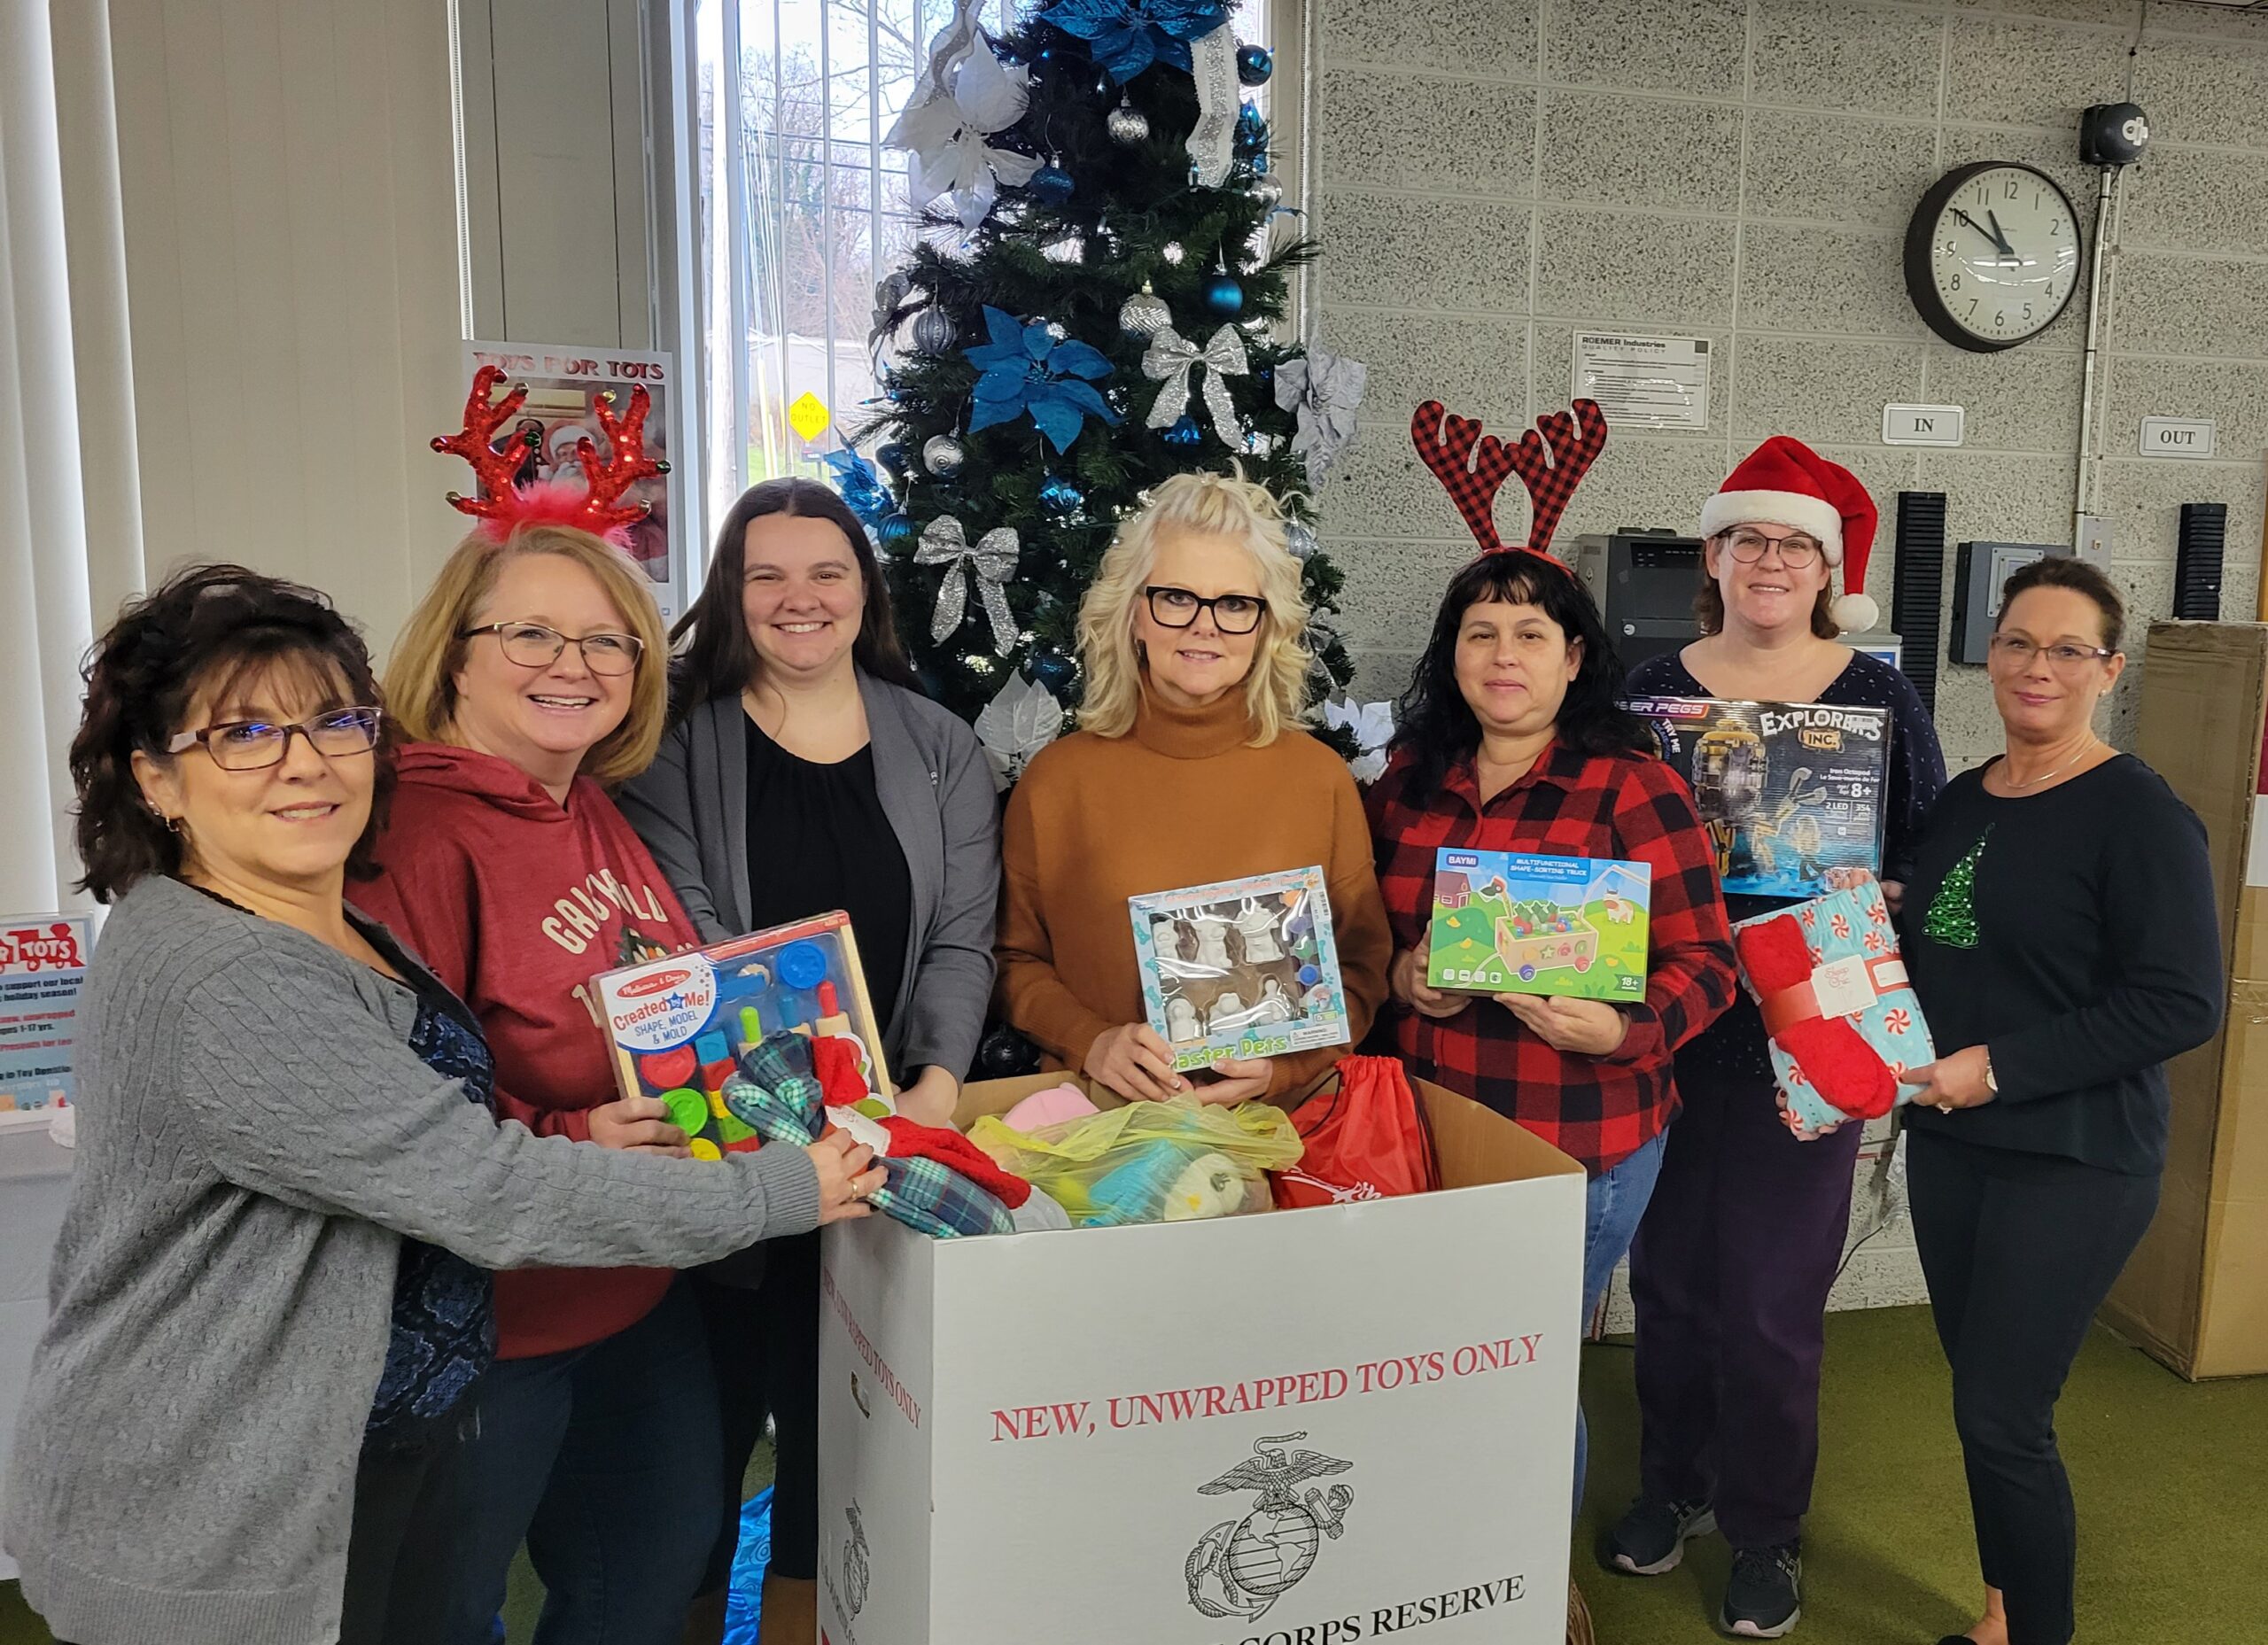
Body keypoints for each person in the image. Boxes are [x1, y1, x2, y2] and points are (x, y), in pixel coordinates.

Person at [1, 565, 880, 1645]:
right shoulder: (227, 974)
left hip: (349, 1427)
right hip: (210, 1497)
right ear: (156, 779)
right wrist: (783, 1187)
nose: (304, 762)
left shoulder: (306, 914)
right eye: (244, 735)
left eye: (334, 722)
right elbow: (486, 1190)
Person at [351, 523, 759, 1645]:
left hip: (633, 1284)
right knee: (440, 1614)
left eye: (607, 641)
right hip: (488, 1323)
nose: (572, 665)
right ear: (455, 653)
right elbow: (387, 1109)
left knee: (648, 1578)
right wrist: (570, 1133)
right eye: (530, 633)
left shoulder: (589, 803)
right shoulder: (412, 837)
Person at [618, 477, 998, 1645]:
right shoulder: (673, 744)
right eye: (767, 574)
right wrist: (789, 1123)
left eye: (827, 571)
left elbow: (961, 937)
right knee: (701, 1456)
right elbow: (686, 941)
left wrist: (933, 1087)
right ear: (731, 592)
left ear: (864, 590)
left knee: (840, 1447)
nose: (800, 597)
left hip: (880, 1155)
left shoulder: (937, 745)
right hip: (734, 1154)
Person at [1364, 548, 1736, 1643]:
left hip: (1580, 1142)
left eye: (1531, 633)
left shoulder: (1633, 787)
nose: (1503, 655)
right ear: (1452, 655)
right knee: (1430, 1359)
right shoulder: (1406, 780)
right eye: (1480, 632)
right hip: (1431, 1133)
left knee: (1517, 1366)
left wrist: (1623, 1028)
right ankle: (1435, 1573)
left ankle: (1527, 1586)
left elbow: (1709, 963)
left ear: (1574, 658)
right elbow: (1368, 940)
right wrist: (1404, 979)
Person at [1608, 438, 1946, 1639]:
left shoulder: (1877, 698)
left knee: (1771, 1300)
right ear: (1712, 555)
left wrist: (1894, 895)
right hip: (1665, 1021)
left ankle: (1765, 1527)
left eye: (1794, 544)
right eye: (1746, 538)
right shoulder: (1647, 691)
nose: (1768, 560)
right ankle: (1673, 1483)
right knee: (1669, 1284)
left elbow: (1928, 852)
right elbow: (1599, 841)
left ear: (1827, 568)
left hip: (1809, 1026)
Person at [1899, 557, 2219, 1645]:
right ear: (1991, 655)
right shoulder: (1963, 797)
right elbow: (1949, 937)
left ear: (2108, 670)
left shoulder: (2138, 814)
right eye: (2018, 643)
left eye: (2068, 649)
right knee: (1979, 1396)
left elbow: (2180, 1002)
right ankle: (2002, 1614)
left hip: (2075, 1155)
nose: (2038, 667)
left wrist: (1994, 1068)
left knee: (2003, 1414)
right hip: (1954, 1144)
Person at [996, 469, 1391, 1105]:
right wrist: (1090, 1040)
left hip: (1280, 1132)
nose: (1204, 625)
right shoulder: (1058, 782)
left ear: (1265, 627)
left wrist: (1286, 1069)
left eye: (1234, 604)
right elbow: (1011, 960)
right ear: (1134, 614)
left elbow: (1363, 968)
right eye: (1177, 597)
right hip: (1099, 1129)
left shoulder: (1318, 779)